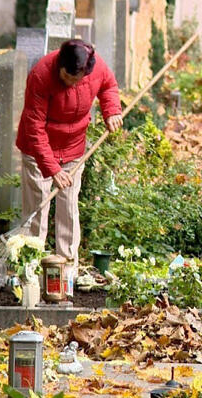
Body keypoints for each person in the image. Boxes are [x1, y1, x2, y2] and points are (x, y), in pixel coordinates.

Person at [16, 39, 122, 276]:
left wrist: (112, 111)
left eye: (77, 79)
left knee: (69, 206)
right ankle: (32, 267)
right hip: (38, 150)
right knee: (38, 207)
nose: (71, 83)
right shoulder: (41, 75)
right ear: (60, 65)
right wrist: (52, 169)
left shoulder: (96, 66)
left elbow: (108, 86)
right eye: (67, 77)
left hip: (73, 148)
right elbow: (34, 127)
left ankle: (67, 270)